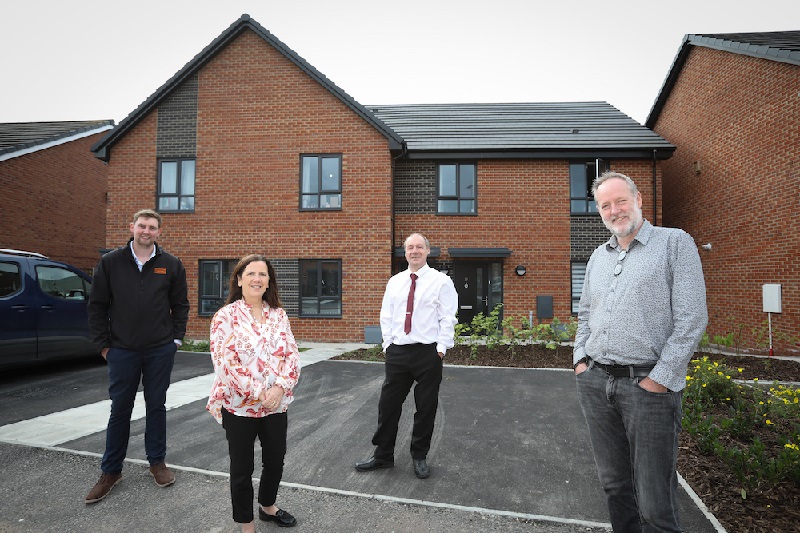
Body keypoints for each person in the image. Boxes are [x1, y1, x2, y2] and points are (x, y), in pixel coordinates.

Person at [573, 172, 708, 532]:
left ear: (638, 200)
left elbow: (692, 317)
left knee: (654, 501)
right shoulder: (597, 258)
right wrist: (579, 361)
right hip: (596, 382)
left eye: (621, 201)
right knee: (614, 486)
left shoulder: (674, 243)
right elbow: (585, 313)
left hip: (647, 387)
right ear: (599, 211)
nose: (615, 210)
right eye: (606, 205)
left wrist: (660, 380)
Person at [85, 209, 189, 504]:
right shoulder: (110, 263)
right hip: (122, 350)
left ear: (159, 232)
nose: (146, 231)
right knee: (120, 409)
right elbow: (97, 306)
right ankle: (111, 471)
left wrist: (176, 340)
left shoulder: (170, 264)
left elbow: (180, 305)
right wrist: (105, 346)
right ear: (132, 227)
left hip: (159, 349)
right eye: (142, 226)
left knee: (156, 405)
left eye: (152, 227)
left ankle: (157, 462)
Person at [207, 254, 300, 532]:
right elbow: (225, 363)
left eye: (262, 274)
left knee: (275, 459)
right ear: (239, 279)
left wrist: (280, 387)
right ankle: (246, 524)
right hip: (239, 407)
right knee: (242, 469)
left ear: (269, 280)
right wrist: (261, 392)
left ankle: (268, 506)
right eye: (251, 274)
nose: (257, 279)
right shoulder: (226, 316)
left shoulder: (278, 314)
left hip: (276, 405)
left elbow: (292, 355)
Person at [355, 233, 458, 479]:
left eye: (419, 247)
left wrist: (441, 349)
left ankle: (419, 456)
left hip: (428, 353)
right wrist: (388, 345)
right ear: (405, 252)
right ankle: (383, 455)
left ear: (427, 251)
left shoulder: (441, 282)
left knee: (426, 407)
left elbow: (448, 317)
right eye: (410, 247)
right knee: (388, 405)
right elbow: (386, 315)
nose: (414, 251)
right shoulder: (395, 281)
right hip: (398, 352)